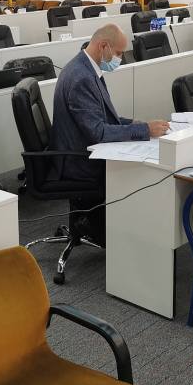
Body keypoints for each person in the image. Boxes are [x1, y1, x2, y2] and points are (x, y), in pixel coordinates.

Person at [51, 24, 170, 243]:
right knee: (142, 171)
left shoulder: (86, 68)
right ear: (103, 46)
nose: (121, 59)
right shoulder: (81, 78)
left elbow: (101, 118)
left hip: (80, 146)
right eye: (119, 53)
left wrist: (136, 124)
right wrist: (144, 130)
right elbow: (98, 132)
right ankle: (125, 235)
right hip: (79, 161)